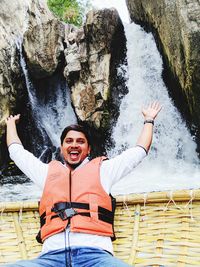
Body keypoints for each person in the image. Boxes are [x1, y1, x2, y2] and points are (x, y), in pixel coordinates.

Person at [4, 101, 161, 267]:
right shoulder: (46, 173)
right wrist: (10, 124)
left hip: (95, 257)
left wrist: (149, 120)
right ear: (62, 147)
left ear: (89, 149)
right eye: (69, 141)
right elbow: (16, 152)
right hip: (50, 259)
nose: (74, 145)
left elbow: (139, 151)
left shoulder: (104, 170)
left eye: (80, 141)